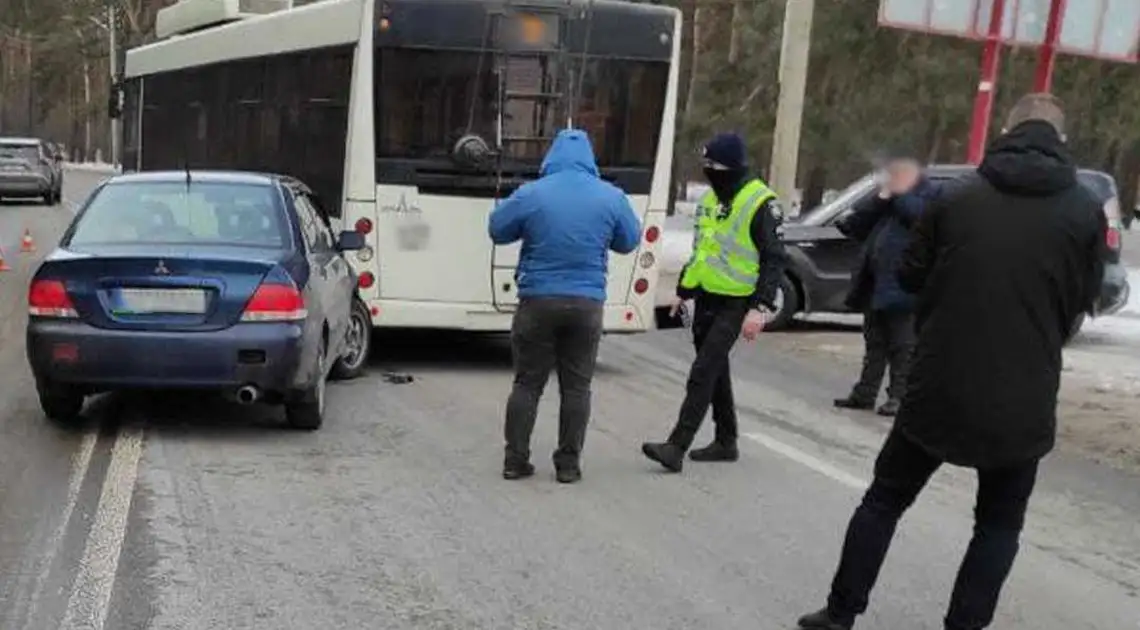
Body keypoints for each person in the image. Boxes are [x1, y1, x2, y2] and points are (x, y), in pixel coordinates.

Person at [797, 93, 1107, 630]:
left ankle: (840, 611)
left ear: (1007, 130)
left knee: (885, 499)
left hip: (940, 379)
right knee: (998, 526)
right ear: (1061, 140)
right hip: (1025, 392)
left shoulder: (958, 198)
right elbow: (1086, 297)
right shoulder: (1083, 211)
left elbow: (911, 276)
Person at [488, 128, 641, 484]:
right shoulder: (611, 197)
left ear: (551, 157)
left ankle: (516, 460)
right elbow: (629, 240)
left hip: (537, 300)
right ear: (590, 159)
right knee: (576, 387)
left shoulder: (532, 194)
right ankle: (568, 465)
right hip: (587, 303)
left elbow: (497, 229)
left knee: (527, 383)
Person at [641, 132, 788, 473]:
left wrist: (760, 308)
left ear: (734, 167)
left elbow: (773, 259)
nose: (709, 172)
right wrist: (684, 290)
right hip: (707, 295)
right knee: (715, 369)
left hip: (738, 301)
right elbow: (702, 251)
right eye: (705, 165)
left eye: (716, 166)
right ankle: (727, 440)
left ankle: (676, 446)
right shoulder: (709, 200)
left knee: (703, 370)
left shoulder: (761, 203)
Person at [833, 157, 938, 417]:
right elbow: (854, 224)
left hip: (903, 282)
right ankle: (865, 392)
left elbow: (920, 217)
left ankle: (899, 396)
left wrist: (899, 194)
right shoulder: (888, 199)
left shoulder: (927, 193)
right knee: (875, 341)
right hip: (875, 281)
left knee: (902, 344)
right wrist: (880, 197)